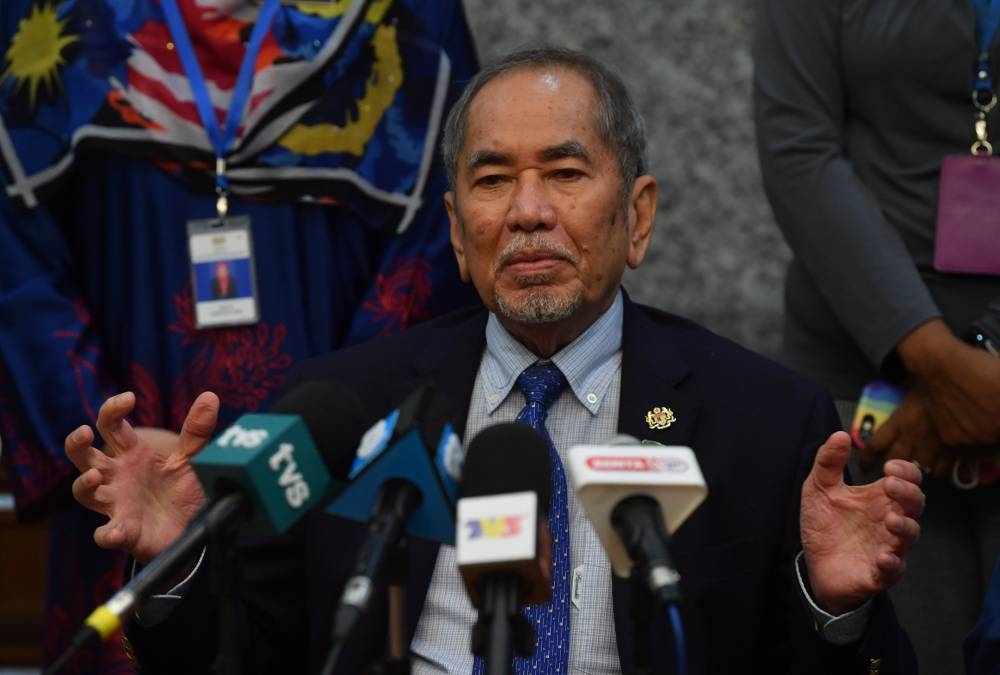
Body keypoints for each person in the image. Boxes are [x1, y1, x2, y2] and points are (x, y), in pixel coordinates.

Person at [67, 47, 924, 674]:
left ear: (639, 216)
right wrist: (180, 556)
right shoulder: (341, 407)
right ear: (454, 230)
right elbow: (242, 658)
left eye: (563, 172)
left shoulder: (764, 422)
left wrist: (835, 602)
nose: (526, 212)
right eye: (490, 180)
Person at [0, 1, 478, 672]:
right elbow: (14, 258)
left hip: (332, 469)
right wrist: (109, 439)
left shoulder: (409, 14)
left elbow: (443, 234)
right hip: (135, 464)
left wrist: (326, 433)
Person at [753, 1, 1000, 672]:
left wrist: (985, 357)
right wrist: (939, 363)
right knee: (894, 650)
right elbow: (798, 147)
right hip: (863, 380)